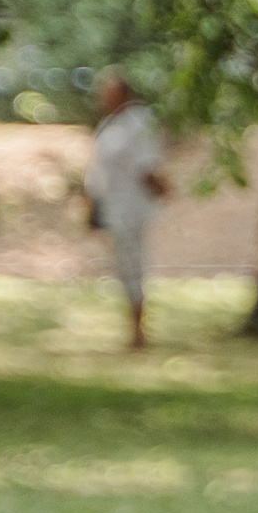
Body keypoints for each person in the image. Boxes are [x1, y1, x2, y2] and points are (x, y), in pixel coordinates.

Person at [85, 71, 167, 351]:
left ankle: (138, 332)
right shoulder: (109, 126)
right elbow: (98, 174)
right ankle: (133, 328)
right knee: (122, 268)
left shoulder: (139, 122)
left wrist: (163, 190)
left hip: (131, 208)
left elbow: (147, 167)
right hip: (113, 208)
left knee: (133, 266)